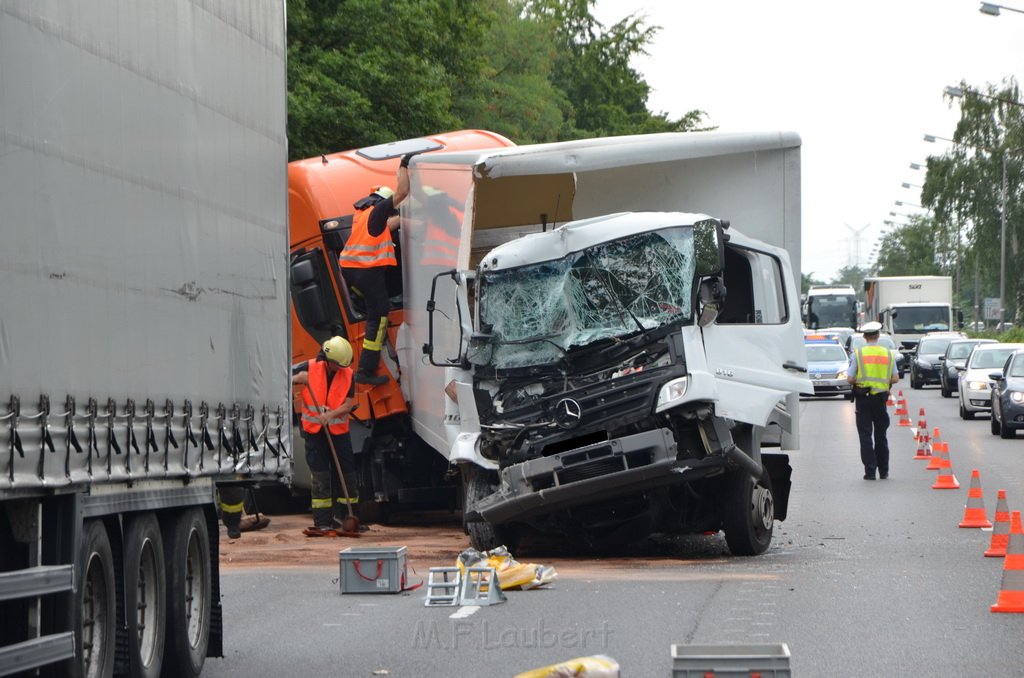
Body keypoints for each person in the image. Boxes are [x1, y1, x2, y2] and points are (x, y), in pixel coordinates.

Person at [339, 155, 413, 385]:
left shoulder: (363, 216)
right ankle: (366, 370)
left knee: (372, 304)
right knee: (379, 315)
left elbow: (390, 225)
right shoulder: (378, 210)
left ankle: (363, 303)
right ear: (383, 202)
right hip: (366, 270)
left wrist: (407, 218)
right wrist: (404, 166)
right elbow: (401, 193)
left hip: (351, 270)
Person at [293, 336, 359, 536]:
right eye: (337, 365)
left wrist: (329, 415)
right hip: (314, 433)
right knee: (321, 477)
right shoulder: (309, 367)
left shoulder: (348, 374)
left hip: (338, 432)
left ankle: (347, 516)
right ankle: (323, 521)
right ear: (329, 359)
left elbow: (348, 404)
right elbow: (281, 375)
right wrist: (297, 379)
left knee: (347, 475)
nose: (340, 369)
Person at [846, 321, 900, 480]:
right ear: (878, 335)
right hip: (880, 400)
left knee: (865, 435)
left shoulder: (858, 354)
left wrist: (862, 381)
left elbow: (850, 378)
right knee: (881, 435)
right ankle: (884, 471)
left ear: (864, 337)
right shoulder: (888, 354)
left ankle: (870, 472)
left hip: (863, 399)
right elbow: (895, 378)